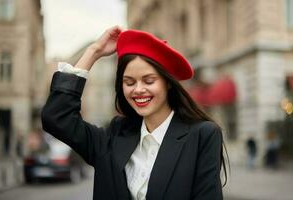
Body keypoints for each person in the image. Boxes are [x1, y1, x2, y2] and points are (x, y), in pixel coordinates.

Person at [41, 26, 227, 200]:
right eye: (129, 82)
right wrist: (94, 51)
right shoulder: (114, 135)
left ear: (168, 82)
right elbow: (57, 117)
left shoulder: (202, 135)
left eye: (148, 80)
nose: (138, 90)